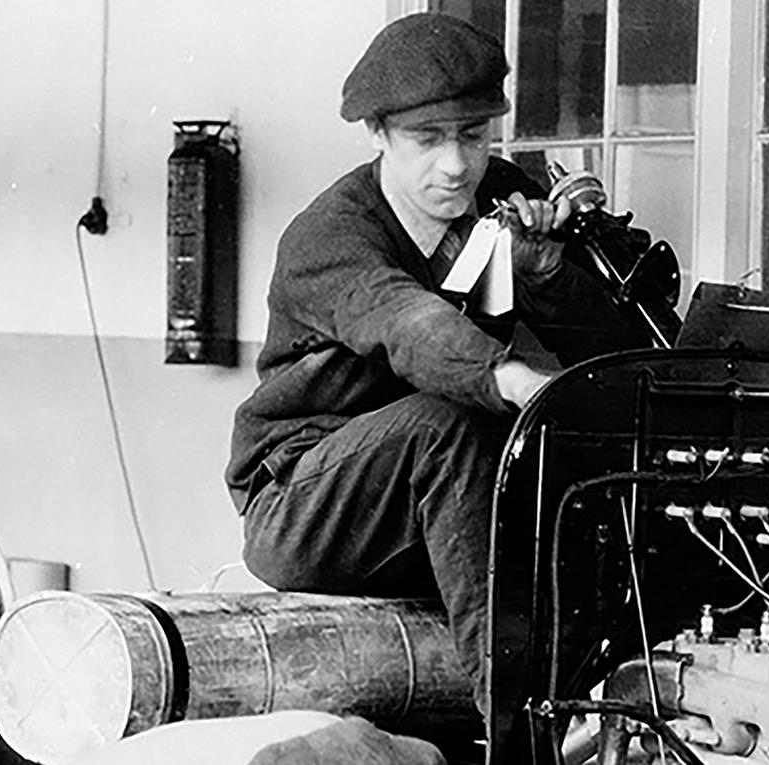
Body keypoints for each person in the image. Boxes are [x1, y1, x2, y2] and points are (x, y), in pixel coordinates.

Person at [225, 12, 645, 726]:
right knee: (448, 423)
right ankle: (518, 730)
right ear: (378, 134)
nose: (455, 164)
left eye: (473, 136)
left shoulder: (497, 196)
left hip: (435, 510)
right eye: (427, 139)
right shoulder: (331, 234)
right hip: (305, 503)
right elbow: (406, 324)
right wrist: (516, 380)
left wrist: (544, 273)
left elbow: (607, 351)